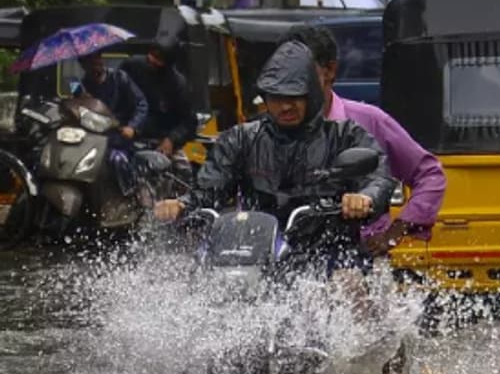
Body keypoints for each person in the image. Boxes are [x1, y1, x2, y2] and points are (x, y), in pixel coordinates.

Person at [153, 41, 395, 273]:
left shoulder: (345, 136)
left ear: (311, 95)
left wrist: (364, 198)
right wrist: (181, 204)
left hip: (327, 252)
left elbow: (379, 178)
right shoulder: (241, 138)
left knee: (348, 283)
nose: (285, 107)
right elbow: (210, 188)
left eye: (294, 97)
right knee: (195, 277)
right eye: (276, 98)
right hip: (254, 250)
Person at [279, 23, 446, 256]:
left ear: (329, 71)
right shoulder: (264, 130)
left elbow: (429, 175)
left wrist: (395, 232)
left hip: (357, 259)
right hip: (284, 257)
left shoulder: (371, 121)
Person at [75, 50, 150, 195]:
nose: (95, 64)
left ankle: (130, 195)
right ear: (83, 65)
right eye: (89, 61)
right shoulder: (82, 85)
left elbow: (141, 104)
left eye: (97, 58)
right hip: (94, 139)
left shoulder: (120, 78)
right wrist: (82, 99)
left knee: (118, 161)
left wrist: (132, 126)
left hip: (119, 136)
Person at [120, 35, 198, 160]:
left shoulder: (177, 84)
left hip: (159, 139)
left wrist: (172, 139)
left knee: (182, 167)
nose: (152, 60)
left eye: (158, 58)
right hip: (127, 133)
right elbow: (116, 91)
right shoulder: (132, 66)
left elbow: (189, 121)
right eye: (151, 54)